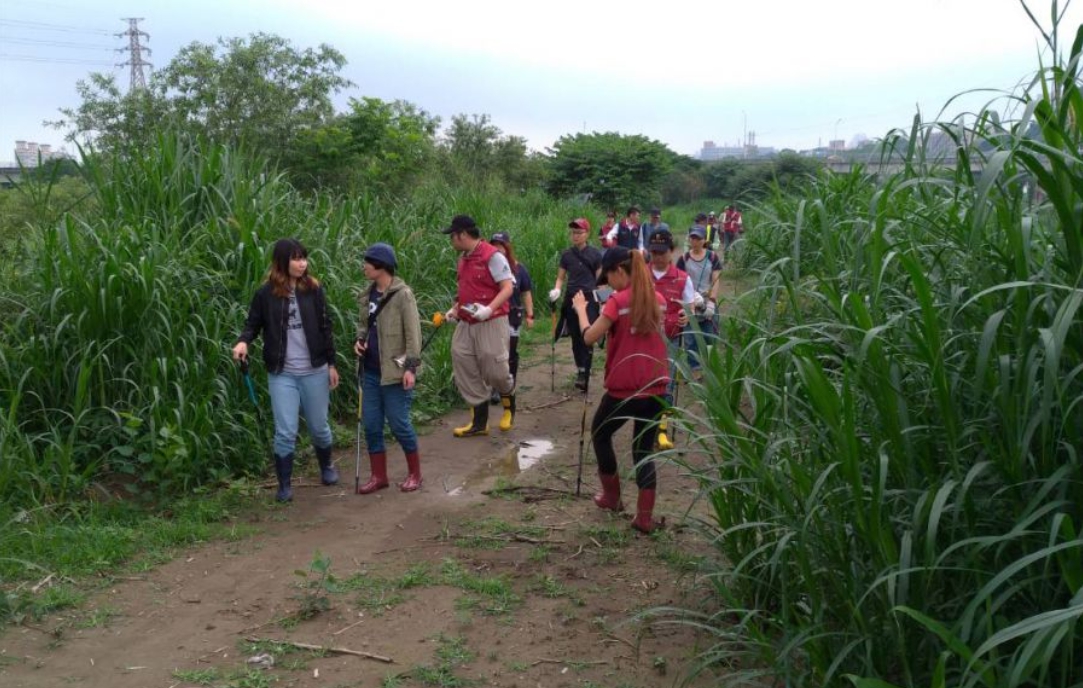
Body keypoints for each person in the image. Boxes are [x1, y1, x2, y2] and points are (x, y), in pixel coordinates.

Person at [232, 238, 340, 503]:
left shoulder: (313, 289)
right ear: (282, 261)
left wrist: (332, 364)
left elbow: (326, 328)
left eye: (304, 257)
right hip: (282, 373)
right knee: (285, 430)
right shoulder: (265, 294)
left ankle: (326, 466)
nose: (302, 263)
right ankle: (284, 484)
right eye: (296, 258)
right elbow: (252, 324)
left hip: (314, 369)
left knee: (319, 427)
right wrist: (243, 341)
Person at [571, 246, 669, 534]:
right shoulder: (659, 299)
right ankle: (644, 517)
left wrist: (580, 310)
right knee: (643, 450)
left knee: (600, 435)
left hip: (623, 388)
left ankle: (612, 497)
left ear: (619, 271)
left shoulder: (617, 301)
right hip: (656, 386)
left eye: (608, 276)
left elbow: (589, 338)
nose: (606, 283)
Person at [353, 243, 424, 494]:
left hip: (394, 371)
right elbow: (364, 326)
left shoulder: (403, 295)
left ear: (381, 265)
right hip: (371, 372)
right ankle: (378, 476)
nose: (364, 266)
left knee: (398, 423)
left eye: (368, 262)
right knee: (371, 424)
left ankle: (415, 474)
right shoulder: (367, 295)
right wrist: (359, 341)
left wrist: (410, 369)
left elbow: (413, 336)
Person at [442, 215, 517, 436]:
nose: (451, 241)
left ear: (462, 235)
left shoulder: (492, 256)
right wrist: (454, 309)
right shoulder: (463, 259)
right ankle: (479, 422)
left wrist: (489, 309)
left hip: (491, 321)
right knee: (462, 360)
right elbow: (465, 289)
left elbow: (507, 288)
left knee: (495, 368)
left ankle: (508, 409)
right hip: (467, 320)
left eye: (452, 237)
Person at [646, 229, 695, 451]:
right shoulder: (639, 275)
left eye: (662, 252)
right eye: (654, 252)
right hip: (642, 339)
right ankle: (646, 427)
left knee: (667, 385)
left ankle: (662, 430)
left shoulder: (682, 278)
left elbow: (690, 305)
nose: (657, 257)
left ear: (672, 252)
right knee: (643, 384)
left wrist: (687, 314)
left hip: (671, 338)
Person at [550, 218, 603, 391]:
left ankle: (585, 373)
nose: (575, 236)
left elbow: (600, 281)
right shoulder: (567, 254)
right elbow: (560, 277)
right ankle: (580, 370)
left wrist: (602, 301)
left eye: (579, 232)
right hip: (571, 298)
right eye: (573, 232)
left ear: (587, 234)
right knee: (574, 336)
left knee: (587, 336)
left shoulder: (595, 254)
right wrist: (556, 290)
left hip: (589, 298)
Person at [488, 232, 535, 417]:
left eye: (501, 245)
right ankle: (494, 387)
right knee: (494, 353)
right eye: (494, 245)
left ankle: (509, 385)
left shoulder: (518, 269)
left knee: (511, 353)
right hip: (495, 315)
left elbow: (526, 293)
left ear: (508, 247)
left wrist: (530, 314)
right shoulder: (489, 268)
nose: (498, 248)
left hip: (513, 314)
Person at [676, 226, 723, 372]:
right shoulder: (683, 259)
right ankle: (694, 368)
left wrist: (712, 302)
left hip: (707, 302)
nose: (695, 241)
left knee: (710, 336)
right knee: (690, 340)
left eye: (698, 238)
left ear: (705, 241)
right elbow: (679, 281)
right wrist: (690, 297)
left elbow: (716, 280)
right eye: (692, 238)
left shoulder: (712, 257)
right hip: (690, 303)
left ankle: (710, 366)